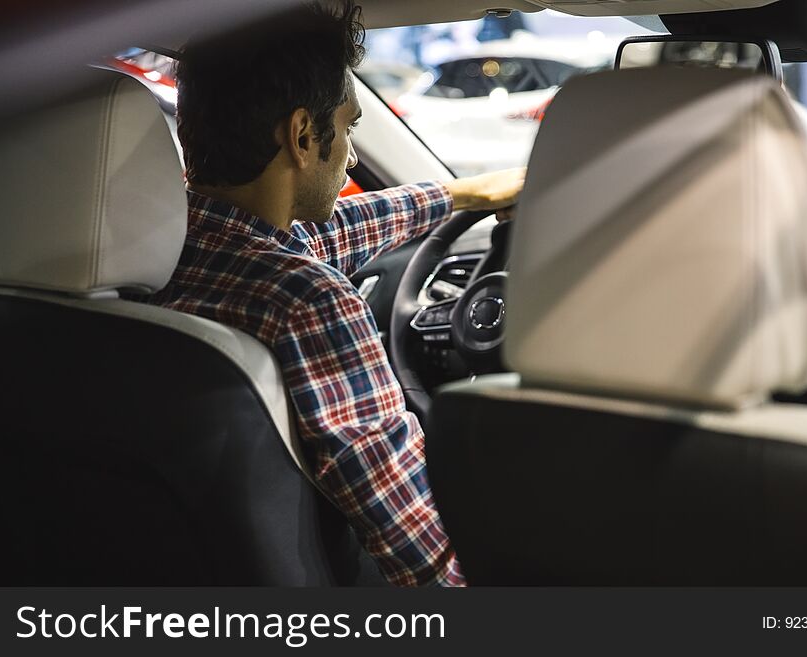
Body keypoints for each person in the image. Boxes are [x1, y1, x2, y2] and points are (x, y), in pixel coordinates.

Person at [140, 1, 524, 586]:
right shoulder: (309, 303)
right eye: (347, 127)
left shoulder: (161, 248)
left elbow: (318, 234)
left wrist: (459, 196)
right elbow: (426, 556)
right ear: (301, 136)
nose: (346, 145)